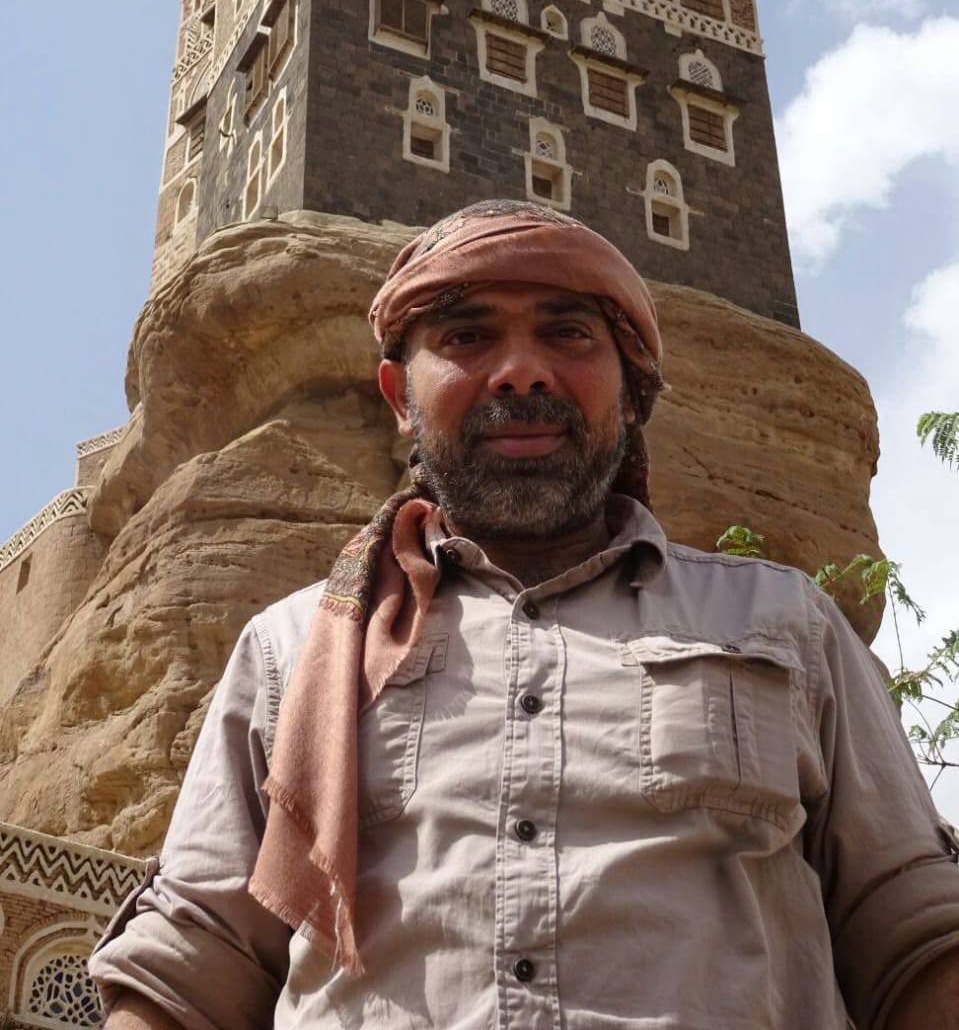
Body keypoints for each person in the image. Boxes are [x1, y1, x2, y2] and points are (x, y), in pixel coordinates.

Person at [91, 201, 959, 1030]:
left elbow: (913, 925)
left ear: (632, 390)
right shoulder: (292, 652)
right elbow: (193, 960)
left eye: (567, 333)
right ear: (398, 397)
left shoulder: (784, 624)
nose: (521, 371)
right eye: (466, 338)